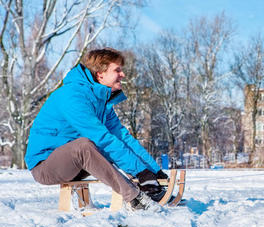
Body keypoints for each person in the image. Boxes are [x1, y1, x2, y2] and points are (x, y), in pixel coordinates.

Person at [25, 48, 167, 211]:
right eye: (117, 70)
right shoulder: (72, 96)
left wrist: (152, 170)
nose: (122, 75)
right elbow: (102, 138)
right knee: (85, 145)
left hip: (77, 164)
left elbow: (123, 138)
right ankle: (135, 199)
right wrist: (140, 171)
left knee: (112, 145)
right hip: (45, 166)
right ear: (100, 74)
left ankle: (151, 191)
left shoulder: (102, 102)